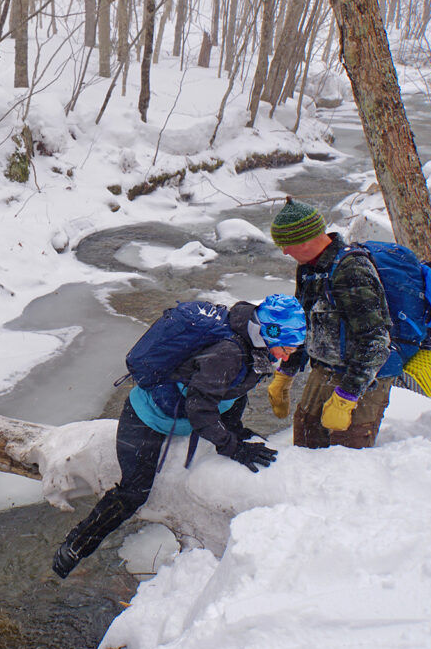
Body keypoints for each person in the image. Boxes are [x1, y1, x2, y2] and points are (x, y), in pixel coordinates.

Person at [52, 295, 306, 579]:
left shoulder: (255, 341)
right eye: (286, 348)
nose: (286, 357)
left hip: (188, 411)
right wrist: (232, 448)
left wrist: (234, 430)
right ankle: (76, 545)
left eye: (293, 350)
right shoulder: (229, 354)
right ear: (267, 332)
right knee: (133, 493)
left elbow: (233, 392)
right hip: (148, 418)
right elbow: (200, 411)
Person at [267, 197, 393, 449]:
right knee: (305, 442)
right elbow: (304, 323)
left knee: (343, 454)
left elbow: (376, 342)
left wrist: (347, 395)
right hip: (323, 369)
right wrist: (286, 373)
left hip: (364, 376)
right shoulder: (308, 268)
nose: (284, 252)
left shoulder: (352, 270)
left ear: (305, 240)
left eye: (286, 244)